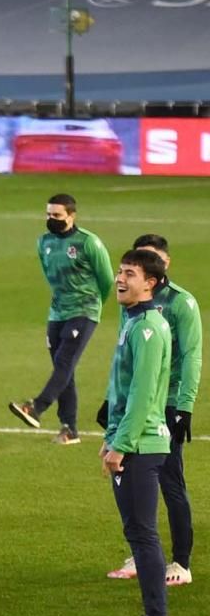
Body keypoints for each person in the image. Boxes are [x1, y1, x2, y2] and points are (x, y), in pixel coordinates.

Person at [105, 235, 201, 587]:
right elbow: (122, 356)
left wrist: (184, 406)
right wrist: (110, 399)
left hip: (168, 400)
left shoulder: (181, 304)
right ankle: (145, 552)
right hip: (137, 400)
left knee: (169, 479)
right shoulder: (131, 306)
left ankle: (181, 561)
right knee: (138, 480)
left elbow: (191, 354)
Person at [99, 248, 174, 616]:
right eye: (120, 271)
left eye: (130, 273)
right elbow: (122, 392)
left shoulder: (147, 328)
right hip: (131, 441)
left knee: (143, 534)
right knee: (137, 533)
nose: (121, 279)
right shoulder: (133, 322)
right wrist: (110, 438)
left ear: (151, 282)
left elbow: (143, 394)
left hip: (141, 444)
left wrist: (121, 445)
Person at [9, 193, 113, 444]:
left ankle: (36, 407)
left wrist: (92, 305)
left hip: (84, 310)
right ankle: (70, 429)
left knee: (65, 362)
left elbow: (107, 279)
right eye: (48, 215)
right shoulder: (43, 242)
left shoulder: (88, 242)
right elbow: (49, 275)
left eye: (57, 215)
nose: (51, 219)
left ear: (71, 216)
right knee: (63, 369)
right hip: (57, 312)